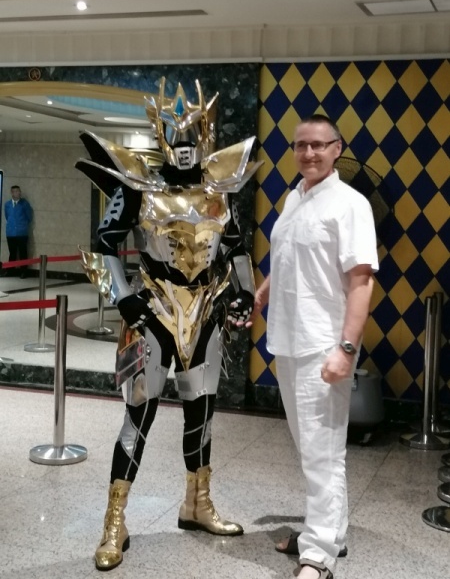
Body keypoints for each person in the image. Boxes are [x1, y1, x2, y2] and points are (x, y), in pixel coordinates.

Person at [76, 77, 261, 571]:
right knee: (138, 416)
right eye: (174, 136)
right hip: (153, 311)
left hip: (204, 313)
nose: (182, 145)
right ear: (161, 136)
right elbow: (105, 244)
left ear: (204, 135)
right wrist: (123, 298)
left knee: (202, 412)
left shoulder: (221, 188)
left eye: (191, 135)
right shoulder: (139, 185)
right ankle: (114, 522)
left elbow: (236, 248)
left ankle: (197, 504)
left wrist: (244, 291)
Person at [243, 114, 378, 579]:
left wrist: (346, 348)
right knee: (312, 450)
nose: (309, 153)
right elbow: (289, 256)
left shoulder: (351, 204)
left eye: (319, 145)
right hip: (287, 339)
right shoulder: (294, 197)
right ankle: (329, 532)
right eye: (301, 145)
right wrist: (264, 291)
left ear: (337, 148)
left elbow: (361, 282)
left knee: (323, 453)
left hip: (323, 344)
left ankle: (318, 555)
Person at [4, 185, 33, 278]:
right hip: (10, 233)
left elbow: (29, 217)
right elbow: (7, 216)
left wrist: (22, 225)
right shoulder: (7, 204)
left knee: (23, 253)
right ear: (12, 193)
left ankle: (24, 271)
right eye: (16, 191)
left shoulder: (25, 204)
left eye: (19, 191)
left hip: (22, 233)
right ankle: (10, 271)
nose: (18, 193)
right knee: (12, 253)